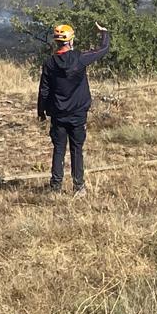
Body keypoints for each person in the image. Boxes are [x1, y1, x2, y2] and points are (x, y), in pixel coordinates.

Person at [37, 22, 111, 195]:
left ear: (56, 42)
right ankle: (79, 187)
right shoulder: (80, 58)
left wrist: (41, 111)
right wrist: (104, 33)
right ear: (70, 41)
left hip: (58, 115)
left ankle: (55, 187)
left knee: (59, 149)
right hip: (78, 114)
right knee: (77, 150)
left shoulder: (49, 63)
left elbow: (44, 90)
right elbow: (103, 49)